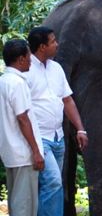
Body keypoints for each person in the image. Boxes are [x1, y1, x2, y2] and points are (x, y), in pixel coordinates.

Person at [26, 26, 89, 216]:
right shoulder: (26, 70)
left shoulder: (56, 68)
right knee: (53, 182)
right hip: (39, 137)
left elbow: (67, 100)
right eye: (53, 41)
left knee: (51, 185)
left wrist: (80, 129)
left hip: (57, 136)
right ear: (42, 47)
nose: (57, 44)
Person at [0, 39, 44, 216]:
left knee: (16, 202)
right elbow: (23, 118)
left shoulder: (3, 81)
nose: (31, 60)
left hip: (10, 152)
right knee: (24, 206)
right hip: (23, 153)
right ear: (20, 59)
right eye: (28, 56)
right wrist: (35, 151)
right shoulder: (17, 83)